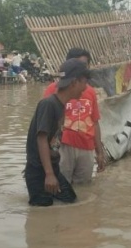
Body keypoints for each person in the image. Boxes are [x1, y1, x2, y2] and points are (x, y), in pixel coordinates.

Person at [25, 58, 91, 206]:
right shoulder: (48, 104)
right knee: (42, 213)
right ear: (74, 82)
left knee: (71, 201)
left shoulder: (61, 105)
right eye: (84, 82)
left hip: (52, 169)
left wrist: (52, 172)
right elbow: (41, 139)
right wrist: (48, 174)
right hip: (39, 172)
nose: (86, 88)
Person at [43, 48, 106, 184]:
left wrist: (99, 152)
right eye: (78, 64)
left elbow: (95, 122)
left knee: (83, 189)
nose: (81, 69)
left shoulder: (90, 92)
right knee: (61, 185)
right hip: (63, 147)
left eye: (84, 66)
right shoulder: (53, 90)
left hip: (86, 147)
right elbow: (44, 126)